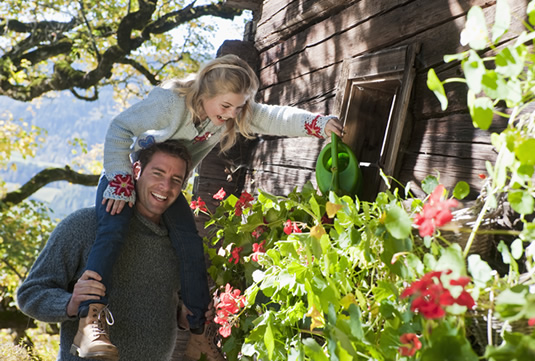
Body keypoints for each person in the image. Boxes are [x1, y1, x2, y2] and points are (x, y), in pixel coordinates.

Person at [80, 54, 344, 358]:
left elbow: (274, 117)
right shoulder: (170, 103)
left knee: (191, 246)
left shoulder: (233, 111)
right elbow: (120, 128)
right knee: (113, 231)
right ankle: (90, 321)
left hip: (166, 186)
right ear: (204, 95)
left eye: (240, 106)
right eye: (226, 106)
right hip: (130, 177)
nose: (233, 114)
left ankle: (196, 334)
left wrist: (318, 124)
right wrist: (120, 180)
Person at [17, 140, 222, 360]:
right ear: (136, 171)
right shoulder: (85, 226)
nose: (165, 186)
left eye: (176, 180)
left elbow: (166, 302)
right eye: (158, 173)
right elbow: (30, 294)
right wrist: (70, 304)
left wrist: (183, 316)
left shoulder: (180, 245)